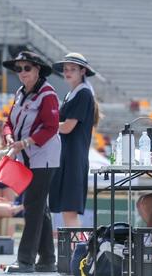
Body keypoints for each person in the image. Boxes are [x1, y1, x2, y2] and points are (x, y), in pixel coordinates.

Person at [1, 51, 61, 273]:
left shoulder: (48, 94)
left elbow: (51, 127)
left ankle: (25, 261)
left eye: (27, 68)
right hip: (25, 157)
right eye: (18, 69)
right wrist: (8, 135)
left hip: (43, 158)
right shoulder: (19, 92)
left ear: (37, 69)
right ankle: (47, 259)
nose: (22, 73)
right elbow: (8, 121)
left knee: (33, 207)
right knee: (38, 206)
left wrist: (26, 142)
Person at [49, 53, 99, 227]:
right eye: (65, 69)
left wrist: (45, 124)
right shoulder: (72, 94)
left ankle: (78, 252)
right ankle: (77, 250)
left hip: (73, 157)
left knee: (69, 209)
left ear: (82, 71)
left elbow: (68, 127)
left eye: (73, 69)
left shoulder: (83, 94)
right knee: (66, 210)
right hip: (66, 155)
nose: (67, 72)